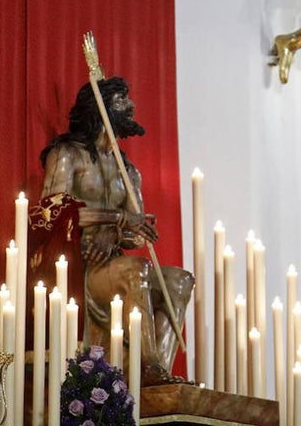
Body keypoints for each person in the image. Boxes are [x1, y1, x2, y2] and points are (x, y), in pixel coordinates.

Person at [38, 77, 193, 384]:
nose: (131, 106)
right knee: (137, 270)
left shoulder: (128, 170)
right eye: (121, 101)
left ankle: (157, 372)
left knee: (180, 280)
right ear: (100, 108)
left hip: (111, 260)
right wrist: (117, 219)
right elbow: (49, 214)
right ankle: (148, 369)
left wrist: (121, 229)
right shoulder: (68, 155)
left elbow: (137, 234)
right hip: (78, 266)